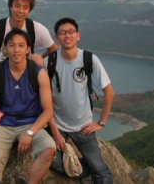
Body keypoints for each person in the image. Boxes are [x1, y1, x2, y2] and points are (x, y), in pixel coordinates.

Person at [0, 28, 56, 184]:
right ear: (6, 48)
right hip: (4, 125)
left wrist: (31, 132)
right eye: (12, 45)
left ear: (28, 49)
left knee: (48, 149)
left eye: (21, 45)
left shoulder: (38, 73)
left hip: (30, 123)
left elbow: (48, 111)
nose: (16, 49)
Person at [45, 17, 114, 184]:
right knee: (47, 158)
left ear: (78, 36)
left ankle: (89, 168)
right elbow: (44, 99)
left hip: (83, 126)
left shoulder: (89, 59)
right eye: (62, 33)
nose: (67, 36)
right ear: (56, 38)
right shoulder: (49, 62)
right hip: (58, 125)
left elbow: (109, 92)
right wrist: (54, 131)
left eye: (71, 32)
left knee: (101, 173)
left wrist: (101, 123)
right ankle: (83, 169)